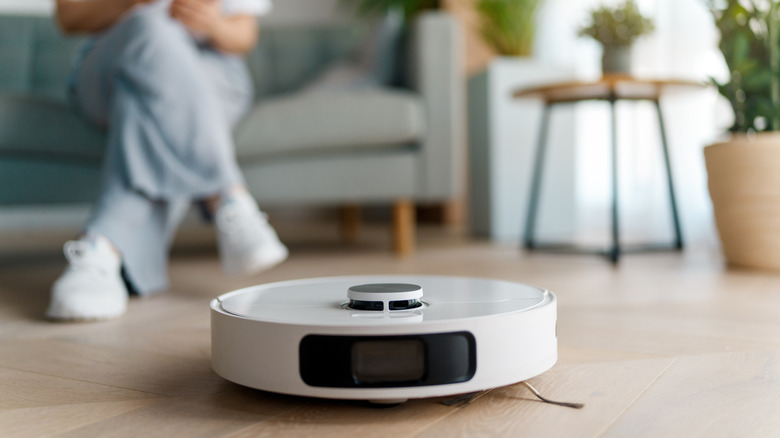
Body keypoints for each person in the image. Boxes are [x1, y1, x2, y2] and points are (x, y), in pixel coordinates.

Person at [47, 0, 287, 321]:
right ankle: (227, 197)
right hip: (111, 62)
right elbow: (69, 17)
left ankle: (102, 248)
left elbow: (243, 35)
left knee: (142, 101)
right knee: (150, 25)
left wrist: (214, 25)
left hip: (211, 76)